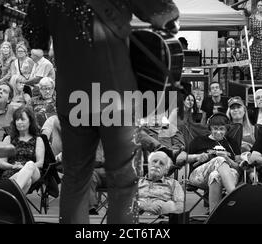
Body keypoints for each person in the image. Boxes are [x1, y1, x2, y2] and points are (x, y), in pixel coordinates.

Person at [27, 0, 179, 224]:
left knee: (75, 178)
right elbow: (166, 14)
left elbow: (35, 39)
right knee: (124, 179)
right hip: (117, 96)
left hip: (72, 95)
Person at [176, 113, 241, 212]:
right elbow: (180, 158)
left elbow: (238, 167)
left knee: (215, 175)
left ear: (227, 129)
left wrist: (227, 159)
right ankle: (234, 196)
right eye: (215, 128)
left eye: (222, 129)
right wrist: (197, 156)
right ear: (210, 128)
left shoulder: (231, 143)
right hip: (199, 175)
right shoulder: (199, 141)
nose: (218, 132)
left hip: (229, 175)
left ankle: (213, 216)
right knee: (218, 160)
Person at [0, 106, 44, 194]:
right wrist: (13, 166)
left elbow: (40, 163)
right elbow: (2, 163)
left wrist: (24, 167)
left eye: (22, 119)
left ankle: (6, 194)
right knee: (27, 181)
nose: (19, 122)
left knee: (29, 165)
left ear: (30, 121)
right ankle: (13, 202)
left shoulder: (38, 140)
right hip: (12, 171)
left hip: (33, 171)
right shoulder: (8, 139)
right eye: (17, 120)